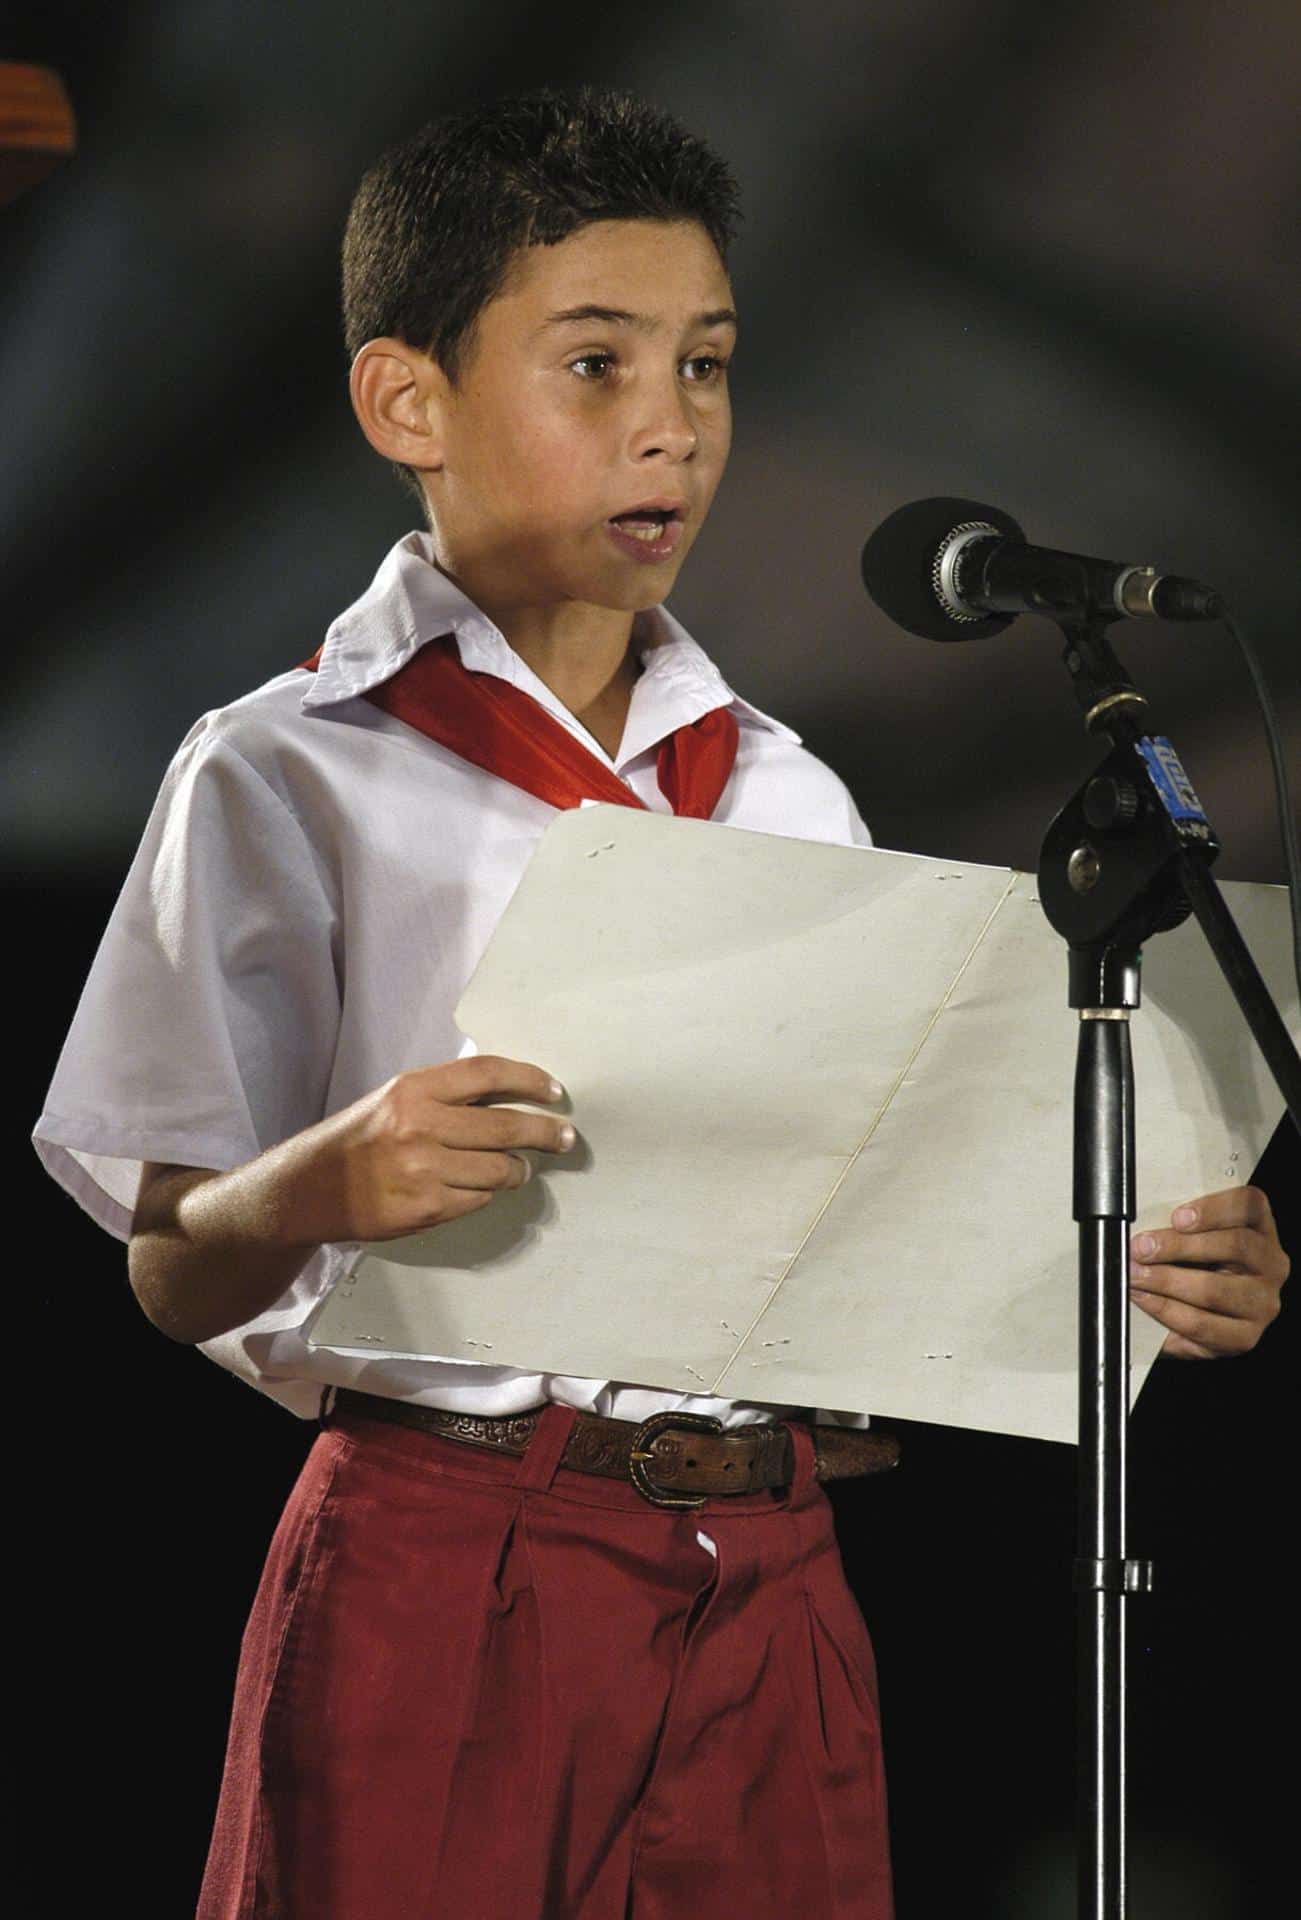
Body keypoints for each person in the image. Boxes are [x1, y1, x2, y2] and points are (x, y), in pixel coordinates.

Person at [32, 86, 1289, 1920]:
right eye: (595, 365)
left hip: (768, 1559)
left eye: (704, 368)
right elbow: (167, 1259)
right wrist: (320, 1182)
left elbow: (861, 1215)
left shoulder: (783, 788)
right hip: (448, 1540)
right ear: (410, 405)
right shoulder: (286, 771)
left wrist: (1130, 1272)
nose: (671, 431)